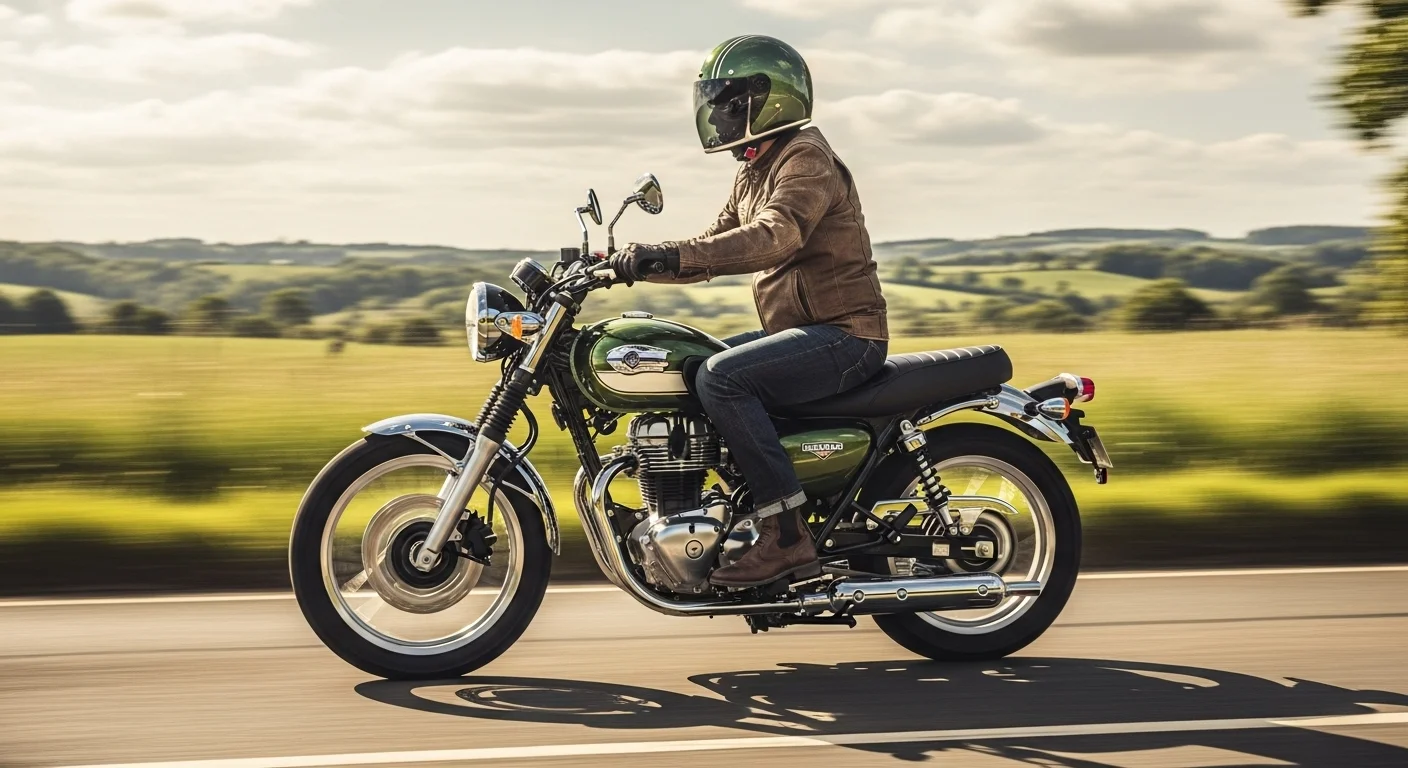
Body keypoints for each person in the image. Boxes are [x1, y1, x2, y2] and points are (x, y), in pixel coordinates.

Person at [608, 35, 888, 588]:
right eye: (714, 103)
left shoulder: (805, 158)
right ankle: (731, 508)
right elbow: (712, 245)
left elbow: (775, 235)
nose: (717, 115)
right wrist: (628, 264)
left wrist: (666, 255)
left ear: (769, 99)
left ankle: (785, 536)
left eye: (728, 102)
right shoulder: (755, 169)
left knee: (722, 378)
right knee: (694, 364)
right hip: (805, 333)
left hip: (845, 336)